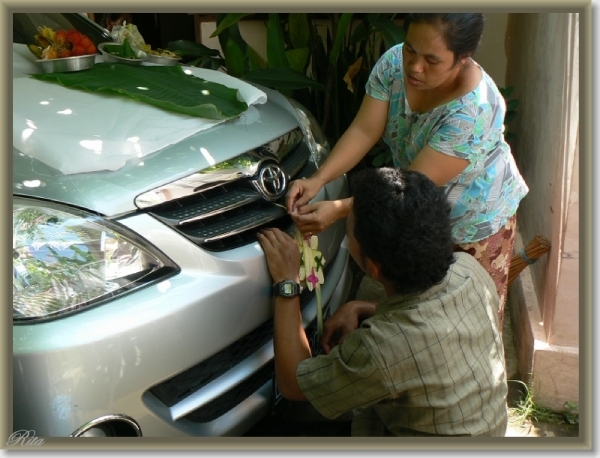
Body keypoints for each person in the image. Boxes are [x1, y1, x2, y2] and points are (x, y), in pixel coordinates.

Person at [285, 13, 529, 328]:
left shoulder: (474, 113)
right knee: (411, 316)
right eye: (410, 49)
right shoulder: (392, 66)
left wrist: (338, 209)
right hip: (416, 214)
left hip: (473, 221)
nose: (414, 66)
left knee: (468, 325)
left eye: (432, 60)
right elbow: (363, 131)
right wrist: (317, 179)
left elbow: (412, 186)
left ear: (462, 59)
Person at [258, 167, 508, 437]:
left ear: (374, 268)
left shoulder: (381, 350)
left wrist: (287, 282)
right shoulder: (469, 270)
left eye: (348, 231)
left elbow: (293, 385)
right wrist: (362, 306)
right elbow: (434, 323)